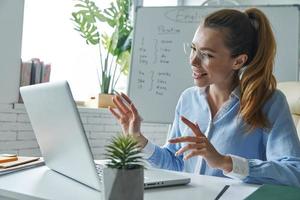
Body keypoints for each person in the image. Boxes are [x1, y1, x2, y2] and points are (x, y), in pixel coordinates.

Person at [109, 8, 300, 186]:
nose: (193, 60)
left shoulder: (269, 102)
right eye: (193, 48)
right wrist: (138, 139)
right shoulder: (188, 99)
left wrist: (225, 162)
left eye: (206, 54)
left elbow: (293, 171)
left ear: (238, 61)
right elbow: (176, 163)